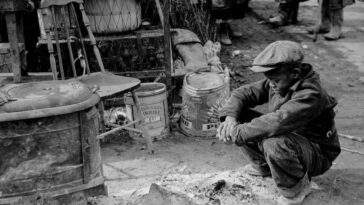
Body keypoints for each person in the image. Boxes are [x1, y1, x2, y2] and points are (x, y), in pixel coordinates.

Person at [217, 40, 341, 205]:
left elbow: (277, 122)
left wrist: (236, 133)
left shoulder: (311, 94)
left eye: (275, 80)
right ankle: (264, 166)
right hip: (293, 140)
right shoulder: (281, 80)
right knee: (241, 116)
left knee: (273, 141)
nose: (271, 85)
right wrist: (230, 119)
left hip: (317, 152)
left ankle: (296, 188)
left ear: (295, 73)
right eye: (269, 80)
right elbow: (242, 93)